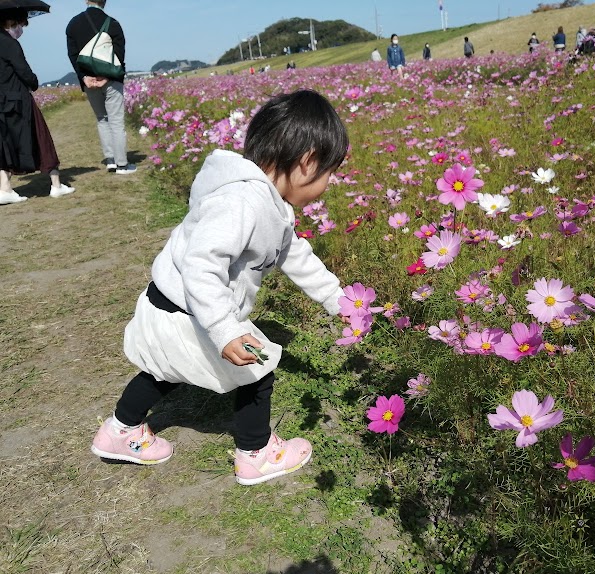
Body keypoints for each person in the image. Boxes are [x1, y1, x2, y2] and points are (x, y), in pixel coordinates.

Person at [90, 90, 349, 486]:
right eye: (330, 171)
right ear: (307, 162)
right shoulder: (242, 202)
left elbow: (293, 254)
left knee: (161, 371)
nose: (330, 182)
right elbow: (201, 264)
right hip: (190, 309)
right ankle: (256, 453)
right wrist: (227, 330)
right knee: (257, 371)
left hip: (173, 303)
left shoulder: (267, 202)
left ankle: (119, 430)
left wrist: (339, 300)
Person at [0, 9, 75, 204]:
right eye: (19, 25)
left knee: (5, 144)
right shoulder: (10, 44)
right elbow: (24, 71)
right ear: (10, 22)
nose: (20, 29)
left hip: (1, 101)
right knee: (41, 138)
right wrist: (34, 82)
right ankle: (56, 185)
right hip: (18, 98)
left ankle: (5, 188)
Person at [66, 0, 136, 174]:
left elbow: (72, 55)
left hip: (89, 80)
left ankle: (110, 160)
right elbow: (119, 55)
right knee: (116, 121)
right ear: (104, 1)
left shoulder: (73, 24)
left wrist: (84, 78)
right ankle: (122, 164)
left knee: (101, 119)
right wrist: (108, 76)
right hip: (111, 79)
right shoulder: (113, 23)